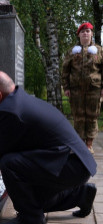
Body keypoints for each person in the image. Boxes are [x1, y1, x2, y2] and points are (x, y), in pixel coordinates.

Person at [0, 71, 97, 224]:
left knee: (9, 163)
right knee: (33, 199)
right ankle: (82, 195)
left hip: (68, 165)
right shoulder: (16, 102)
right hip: (74, 163)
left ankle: (30, 219)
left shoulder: (10, 111)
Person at [61, 22, 103, 154]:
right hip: (76, 90)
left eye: (88, 31)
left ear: (91, 34)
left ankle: (89, 145)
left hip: (94, 89)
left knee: (92, 116)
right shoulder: (72, 52)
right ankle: (79, 144)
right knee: (78, 116)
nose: (85, 33)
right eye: (83, 31)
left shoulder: (99, 50)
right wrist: (66, 87)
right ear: (79, 35)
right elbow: (65, 71)